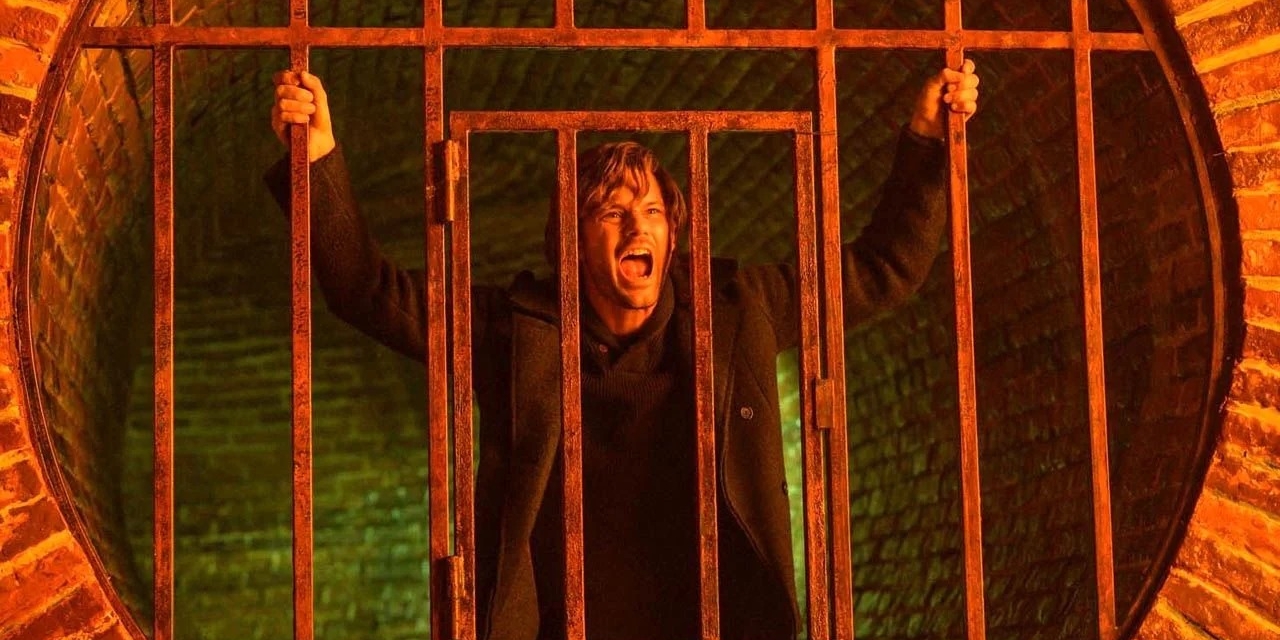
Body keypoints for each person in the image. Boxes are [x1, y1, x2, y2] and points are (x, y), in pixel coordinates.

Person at [267, 61, 979, 640]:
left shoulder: (739, 307)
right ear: (574, 243)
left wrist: (926, 141)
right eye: (611, 211)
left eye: (652, 211)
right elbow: (369, 292)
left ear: (672, 234)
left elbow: (882, 270)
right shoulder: (518, 328)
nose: (637, 226)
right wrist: (316, 156)